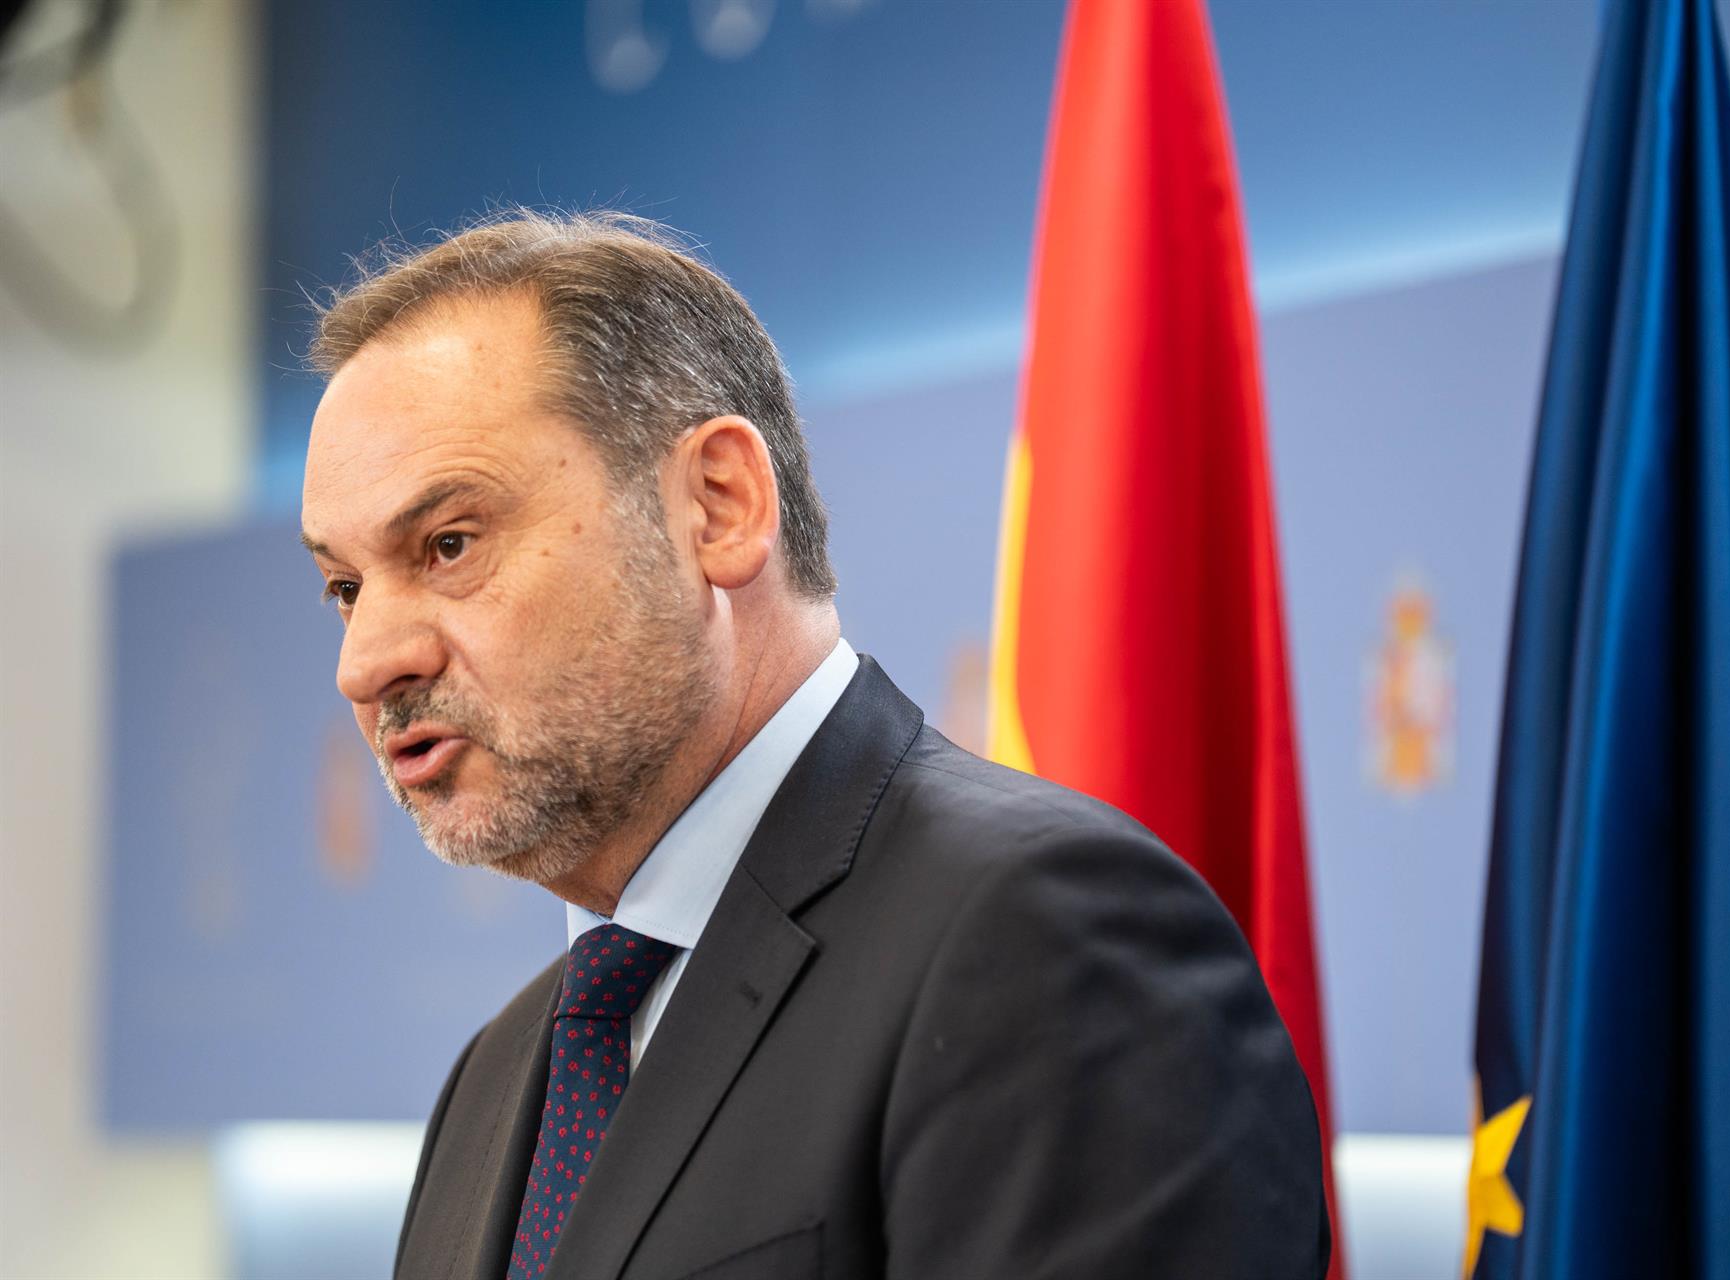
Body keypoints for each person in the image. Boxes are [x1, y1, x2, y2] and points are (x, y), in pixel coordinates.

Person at [298, 211, 1329, 1280]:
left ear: (719, 506)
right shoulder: (499, 1075)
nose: (365, 663)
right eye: (345, 587)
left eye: (449, 544)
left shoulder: (1054, 943)